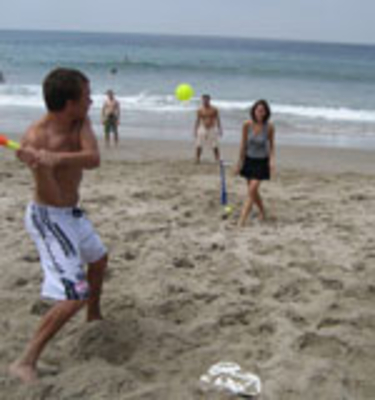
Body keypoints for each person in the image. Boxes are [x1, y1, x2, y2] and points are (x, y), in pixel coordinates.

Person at [9, 68, 108, 384]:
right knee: (74, 294)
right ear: (69, 103)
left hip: (71, 213)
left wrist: (57, 159)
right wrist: (40, 168)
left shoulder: (80, 122)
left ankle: (93, 315)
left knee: (98, 258)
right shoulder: (35, 137)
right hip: (48, 217)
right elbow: (49, 195)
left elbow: (93, 159)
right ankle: (25, 361)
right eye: (86, 96)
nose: (92, 100)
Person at [235, 99, 275, 227]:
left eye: (262, 110)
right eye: (258, 110)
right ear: (254, 111)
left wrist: (271, 162)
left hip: (261, 162)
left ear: (266, 113)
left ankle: (242, 220)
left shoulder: (269, 127)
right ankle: (263, 211)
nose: (260, 112)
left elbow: (272, 147)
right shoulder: (247, 125)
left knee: (252, 190)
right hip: (249, 160)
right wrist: (239, 163)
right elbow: (243, 145)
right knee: (254, 192)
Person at [194, 94, 223, 163]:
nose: (205, 101)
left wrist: (220, 129)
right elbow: (197, 120)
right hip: (203, 127)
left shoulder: (214, 109)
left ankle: (217, 158)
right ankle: (197, 158)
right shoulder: (200, 110)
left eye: (207, 99)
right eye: (204, 100)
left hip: (212, 127)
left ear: (209, 100)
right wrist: (195, 129)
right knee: (199, 144)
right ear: (202, 100)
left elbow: (218, 119)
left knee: (215, 144)